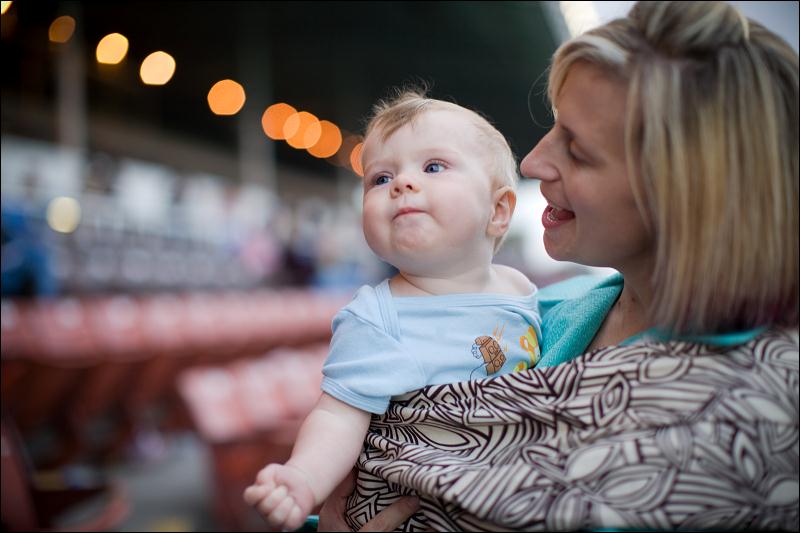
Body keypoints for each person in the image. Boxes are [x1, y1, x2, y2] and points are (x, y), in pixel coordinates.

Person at [318, 1, 799, 530]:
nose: (532, 162)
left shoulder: (751, 412)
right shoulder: (531, 311)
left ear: (686, 192)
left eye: (578, 149)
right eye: (554, 127)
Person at [243, 90, 543, 531]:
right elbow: (337, 415)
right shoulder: (376, 318)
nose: (401, 183)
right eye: (380, 179)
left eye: (433, 167)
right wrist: (303, 477)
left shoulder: (520, 289)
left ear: (498, 211)